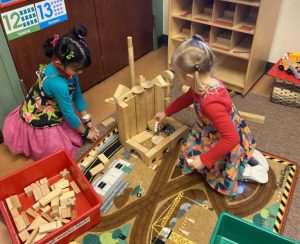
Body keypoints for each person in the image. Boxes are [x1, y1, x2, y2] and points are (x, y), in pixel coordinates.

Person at [155, 34, 269, 196]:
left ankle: (244, 167)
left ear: (187, 77)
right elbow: (188, 97)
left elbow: (231, 138)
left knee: (206, 161)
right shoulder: (203, 80)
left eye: (178, 75)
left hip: (225, 135)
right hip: (218, 125)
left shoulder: (210, 104)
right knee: (193, 149)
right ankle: (245, 155)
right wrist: (166, 112)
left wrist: (204, 160)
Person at [3, 26, 100, 160]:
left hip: (53, 104)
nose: (80, 73)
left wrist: (87, 120)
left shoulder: (69, 68)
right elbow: (68, 113)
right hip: (40, 114)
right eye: (77, 70)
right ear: (59, 63)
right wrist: (85, 133)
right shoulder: (58, 84)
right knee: (59, 149)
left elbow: (77, 95)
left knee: (74, 128)